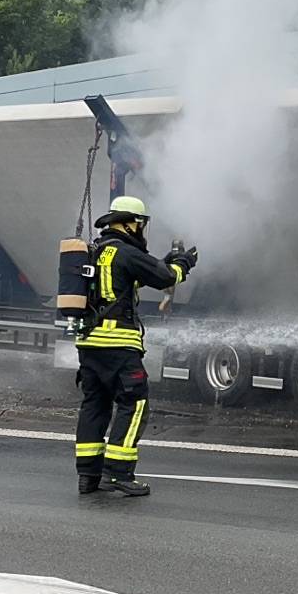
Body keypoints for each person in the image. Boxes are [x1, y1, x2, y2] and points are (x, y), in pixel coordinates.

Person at [75, 195, 197, 497]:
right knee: (134, 402)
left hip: (89, 344)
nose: (142, 229)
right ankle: (119, 473)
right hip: (118, 344)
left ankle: (88, 475)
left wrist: (165, 262)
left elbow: (134, 279)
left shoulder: (97, 251)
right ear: (130, 223)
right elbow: (165, 278)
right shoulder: (126, 251)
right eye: (140, 224)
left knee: (95, 404)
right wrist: (183, 264)